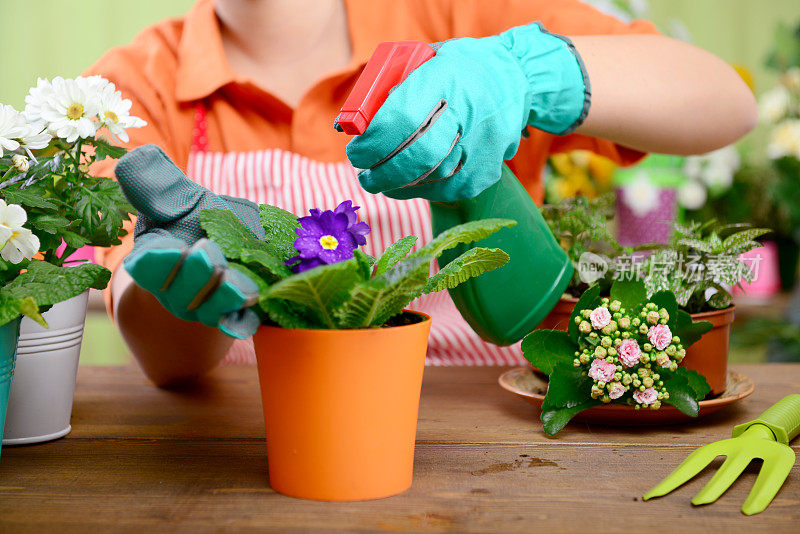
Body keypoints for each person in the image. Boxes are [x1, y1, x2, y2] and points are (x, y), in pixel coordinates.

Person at [87, 0, 757, 386]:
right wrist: (186, 291)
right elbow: (164, 361)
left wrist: (526, 73)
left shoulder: (462, 14)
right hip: (254, 448)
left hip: (502, 442)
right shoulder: (126, 89)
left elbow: (725, 101)